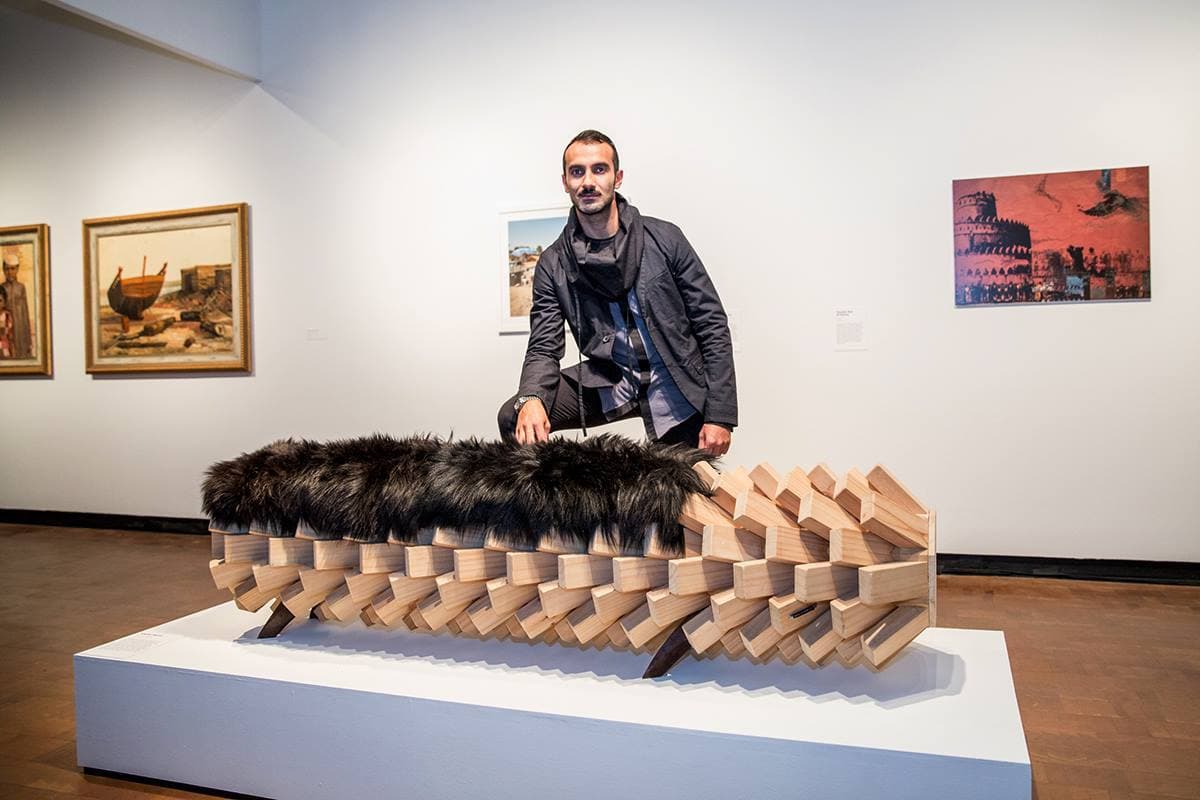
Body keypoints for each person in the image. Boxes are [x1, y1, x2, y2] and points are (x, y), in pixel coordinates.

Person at [498, 130, 736, 456]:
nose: (588, 181)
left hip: (674, 382)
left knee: (679, 495)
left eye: (599, 169)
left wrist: (720, 414)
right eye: (577, 171)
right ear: (565, 182)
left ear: (617, 177)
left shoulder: (665, 238)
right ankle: (547, 506)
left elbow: (711, 324)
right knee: (515, 416)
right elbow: (543, 345)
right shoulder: (553, 264)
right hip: (611, 379)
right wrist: (532, 398)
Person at [1, 252, 32, 359]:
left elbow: (25, 312)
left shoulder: (21, 287)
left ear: (17, 269)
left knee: (21, 352)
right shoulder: (1, 288)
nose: (10, 272)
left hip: (20, 327)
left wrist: (29, 340)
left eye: (13, 268)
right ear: (3, 270)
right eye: (7, 269)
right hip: (5, 327)